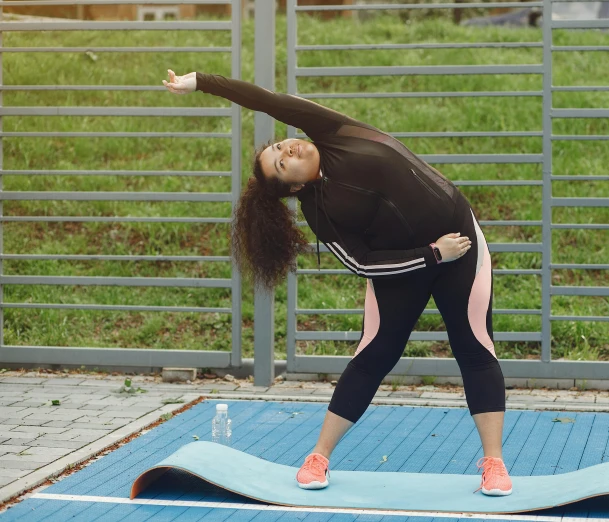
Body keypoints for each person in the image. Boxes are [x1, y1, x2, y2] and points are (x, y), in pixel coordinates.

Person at [163, 70, 511, 496]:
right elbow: (363, 263)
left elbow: (267, 99)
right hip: (408, 264)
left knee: (475, 348)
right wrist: (432, 254)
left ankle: (494, 464)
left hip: (461, 240)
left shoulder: (333, 130)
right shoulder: (320, 211)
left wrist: (200, 82)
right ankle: (319, 458)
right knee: (373, 355)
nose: (285, 149)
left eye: (278, 146)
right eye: (280, 162)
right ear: (291, 185)